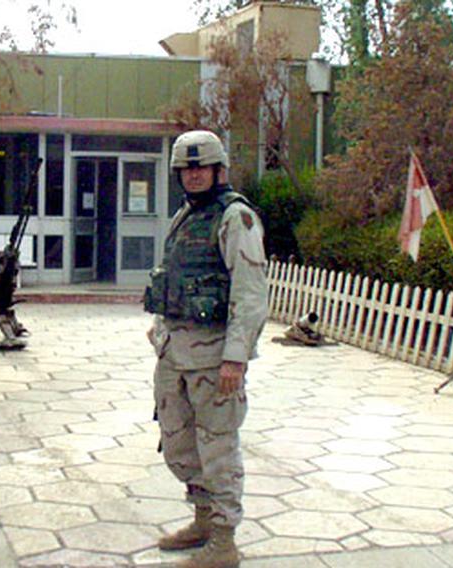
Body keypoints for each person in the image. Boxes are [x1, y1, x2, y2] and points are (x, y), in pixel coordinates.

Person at [144, 130, 268, 568]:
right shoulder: (185, 216)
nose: (194, 175)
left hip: (215, 358)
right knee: (179, 443)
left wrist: (236, 357)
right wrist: (160, 328)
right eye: (187, 168)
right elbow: (171, 276)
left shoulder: (236, 219)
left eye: (202, 167)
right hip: (176, 354)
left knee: (217, 448)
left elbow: (250, 295)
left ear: (218, 169)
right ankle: (201, 518)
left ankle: (223, 541)